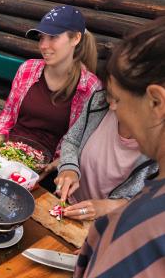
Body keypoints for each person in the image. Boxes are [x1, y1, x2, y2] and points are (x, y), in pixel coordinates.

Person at [0, 17, 165, 278]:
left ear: (156, 102)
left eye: (120, 101)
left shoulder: (147, 224)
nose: (113, 109)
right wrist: (70, 169)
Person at [0, 5, 101, 166]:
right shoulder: (28, 68)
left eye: (53, 37)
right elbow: (8, 112)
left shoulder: (90, 87)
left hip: (50, 168)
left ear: (76, 38)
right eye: (42, 37)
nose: (43, 45)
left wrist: (52, 167)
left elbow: (82, 142)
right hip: (9, 153)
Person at [54, 89, 158, 220]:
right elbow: (72, 140)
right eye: (110, 93)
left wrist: (106, 207)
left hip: (106, 226)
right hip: (68, 204)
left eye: (119, 99)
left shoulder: (158, 149)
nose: (111, 105)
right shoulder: (100, 102)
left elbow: (148, 205)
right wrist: (69, 168)